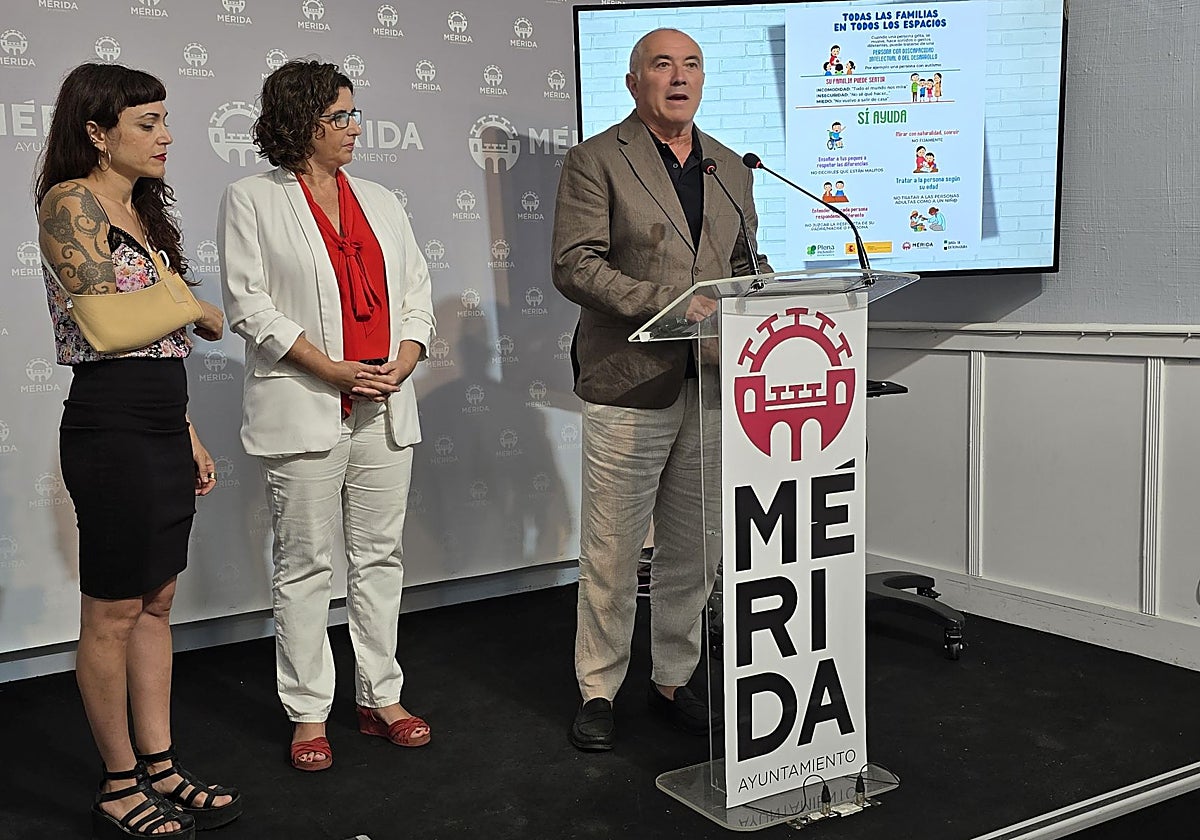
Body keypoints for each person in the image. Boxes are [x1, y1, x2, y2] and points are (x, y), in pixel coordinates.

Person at [34, 63, 239, 838]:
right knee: (113, 610)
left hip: (159, 421)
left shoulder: (141, 209)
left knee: (156, 603)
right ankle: (118, 786)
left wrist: (186, 433)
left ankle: (160, 765)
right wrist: (192, 305)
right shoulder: (70, 202)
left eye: (164, 120)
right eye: (147, 123)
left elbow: (156, 344)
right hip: (109, 426)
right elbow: (107, 326)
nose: (166, 136)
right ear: (97, 131)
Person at [552, 28, 769, 752]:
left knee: (694, 547)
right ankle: (598, 688)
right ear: (634, 81)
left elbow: (745, 262)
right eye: (662, 65)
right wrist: (667, 304)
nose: (679, 77)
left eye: (691, 65)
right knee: (613, 551)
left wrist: (770, 296)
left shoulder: (730, 166)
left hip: (711, 382)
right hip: (629, 380)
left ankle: (674, 677)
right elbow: (575, 264)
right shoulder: (595, 160)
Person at [219, 60, 435, 772]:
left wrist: (407, 357)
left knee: (380, 556)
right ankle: (309, 711)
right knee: (306, 564)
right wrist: (329, 368)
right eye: (340, 116)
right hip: (305, 399)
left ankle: (380, 697)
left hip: (385, 403)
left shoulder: (380, 198)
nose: (354, 128)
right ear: (301, 122)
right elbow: (248, 304)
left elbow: (416, 290)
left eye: (353, 114)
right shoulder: (251, 198)